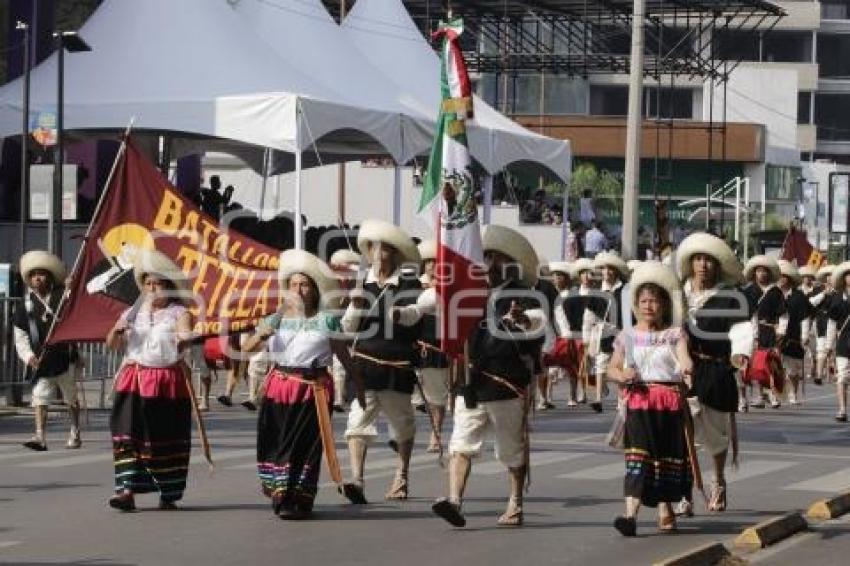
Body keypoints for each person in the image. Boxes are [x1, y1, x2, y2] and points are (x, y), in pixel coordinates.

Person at [432, 225, 546, 528]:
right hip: (470, 382)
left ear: (507, 261)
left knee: (510, 449)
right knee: (461, 442)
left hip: (505, 381)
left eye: (494, 256)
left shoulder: (521, 293)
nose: (487, 262)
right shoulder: (466, 291)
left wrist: (522, 319)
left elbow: (538, 321)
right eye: (483, 255)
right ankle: (455, 500)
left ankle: (515, 502)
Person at [242, 249, 358, 519]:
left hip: (312, 389)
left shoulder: (327, 319)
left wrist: (358, 387)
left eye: (304, 284)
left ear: (315, 289)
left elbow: (342, 355)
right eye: (294, 284)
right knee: (276, 441)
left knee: (303, 444)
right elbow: (246, 349)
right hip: (279, 387)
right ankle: (281, 490)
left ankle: (293, 498)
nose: (299, 289)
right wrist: (260, 334)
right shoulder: (274, 319)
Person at [105, 249, 194, 511]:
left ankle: (168, 491)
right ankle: (126, 490)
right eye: (148, 283)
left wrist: (185, 338)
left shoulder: (179, 312)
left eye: (158, 283)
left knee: (162, 439)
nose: (153, 288)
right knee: (127, 435)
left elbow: (184, 335)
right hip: (133, 378)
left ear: (168, 287)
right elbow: (111, 343)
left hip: (166, 381)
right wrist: (117, 331)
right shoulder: (132, 313)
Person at [608, 262, 693, 536]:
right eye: (644, 301)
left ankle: (665, 508)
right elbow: (612, 367)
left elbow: (684, 359)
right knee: (638, 457)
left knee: (665, 458)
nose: (648, 306)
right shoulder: (627, 336)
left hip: (668, 402)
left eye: (654, 301)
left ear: (664, 305)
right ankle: (629, 515)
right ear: (636, 304)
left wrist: (687, 368)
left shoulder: (675, 334)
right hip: (638, 402)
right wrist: (622, 375)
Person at [342, 220, 423, 502]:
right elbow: (348, 329)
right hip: (364, 366)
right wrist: (354, 306)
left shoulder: (408, 284)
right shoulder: (361, 285)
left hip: (395, 367)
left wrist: (400, 314)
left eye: (384, 251)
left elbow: (416, 313)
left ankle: (401, 475)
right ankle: (357, 480)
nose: (377, 256)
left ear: (395, 255)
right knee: (356, 423)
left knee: (402, 425)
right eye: (374, 250)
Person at [675, 233, 751, 515]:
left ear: (717, 265)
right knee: (682, 435)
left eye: (708, 259)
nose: (703, 265)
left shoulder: (730, 298)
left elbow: (742, 329)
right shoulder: (677, 295)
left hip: (716, 369)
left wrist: (740, 352)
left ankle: (717, 481)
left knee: (716, 435)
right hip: (682, 371)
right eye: (698, 259)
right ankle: (685, 490)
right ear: (690, 264)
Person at [14, 250, 82, 451]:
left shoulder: (63, 296)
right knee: (40, 399)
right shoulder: (23, 306)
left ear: (50, 277)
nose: (38, 278)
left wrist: (72, 287)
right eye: (34, 274)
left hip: (64, 357)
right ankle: (40, 437)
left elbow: (77, 301)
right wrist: (28, 356)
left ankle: (75, 431)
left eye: (42, 274)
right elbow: (20, 336)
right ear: (29, 279)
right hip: (41, 361)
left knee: (71, 398)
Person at [414, 239, 450, 452]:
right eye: (427, 261)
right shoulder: (412, 285)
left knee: (436, 396)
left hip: (436, 346)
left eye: (435, 261)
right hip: (413, 345)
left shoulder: (450, 289)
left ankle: (435, 433)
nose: (431, 265)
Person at [741, 255, 787, 409]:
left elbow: (783, 314)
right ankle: (759, 396)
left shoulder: (776, 292)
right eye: (758, 271)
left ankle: (774, 395)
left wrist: (781, 330)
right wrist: (751, 334)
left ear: (769, 273)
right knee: (757, 366)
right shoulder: (749, 291)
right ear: (754, 273)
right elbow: (749, 315)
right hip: (754, 332)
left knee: (772, 365)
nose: (761, 274)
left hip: (771, 331)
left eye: (764, 271)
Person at [591, 251, 630, 413]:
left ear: (616, 271)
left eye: (610, 269)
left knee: (621, 366)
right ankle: (598, 399)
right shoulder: (597, 290)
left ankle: (621, 399)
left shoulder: (624, 290)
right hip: (602, 332)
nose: (607, 272)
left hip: (620, 332)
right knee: (600, 364)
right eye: (604, 269)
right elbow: (591, 313)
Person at [328, 248, 362, 412]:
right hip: (335, 332)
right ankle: (338, 398)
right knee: (337, 365)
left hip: (356, 335)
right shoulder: (330, 287)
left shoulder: (361, 287)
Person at [777, 260, 812, 405]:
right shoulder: (773, 295)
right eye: (779, 276)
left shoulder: (799, 297)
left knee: (793, 370)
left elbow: (805, 317)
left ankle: (793, 393)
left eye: (784, 276)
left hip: (794, 336)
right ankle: (775, 394)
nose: (781, 279)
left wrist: (804, 336)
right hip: (775, 336)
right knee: (775, 366)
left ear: (789, 278)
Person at [826, 262, 850, 422]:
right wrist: (829, 345)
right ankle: (842, 409)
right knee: (842, 376)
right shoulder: (837, 299)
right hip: (844, 341)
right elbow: (832, 323)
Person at [811, 264, 836, 385]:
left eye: (831, 275)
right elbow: (811, 303)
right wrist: (823, 294)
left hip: (837, 323)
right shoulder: (818, 290)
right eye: (827, 276)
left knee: (833, 349)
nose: (829, 278)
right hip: (821, 322)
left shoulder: (839, 291)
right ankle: (819, 375)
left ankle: (835, 373)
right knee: (821, 349)